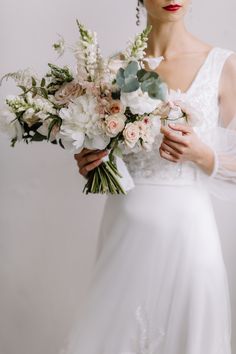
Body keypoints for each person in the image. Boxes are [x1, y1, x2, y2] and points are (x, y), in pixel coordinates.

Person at [68, 1, 236, 353]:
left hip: (189, 236)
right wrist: (92, 160)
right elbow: (101, 146)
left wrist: (201, 155)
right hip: (125, 229)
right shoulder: (109, 69)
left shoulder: (224, 66)